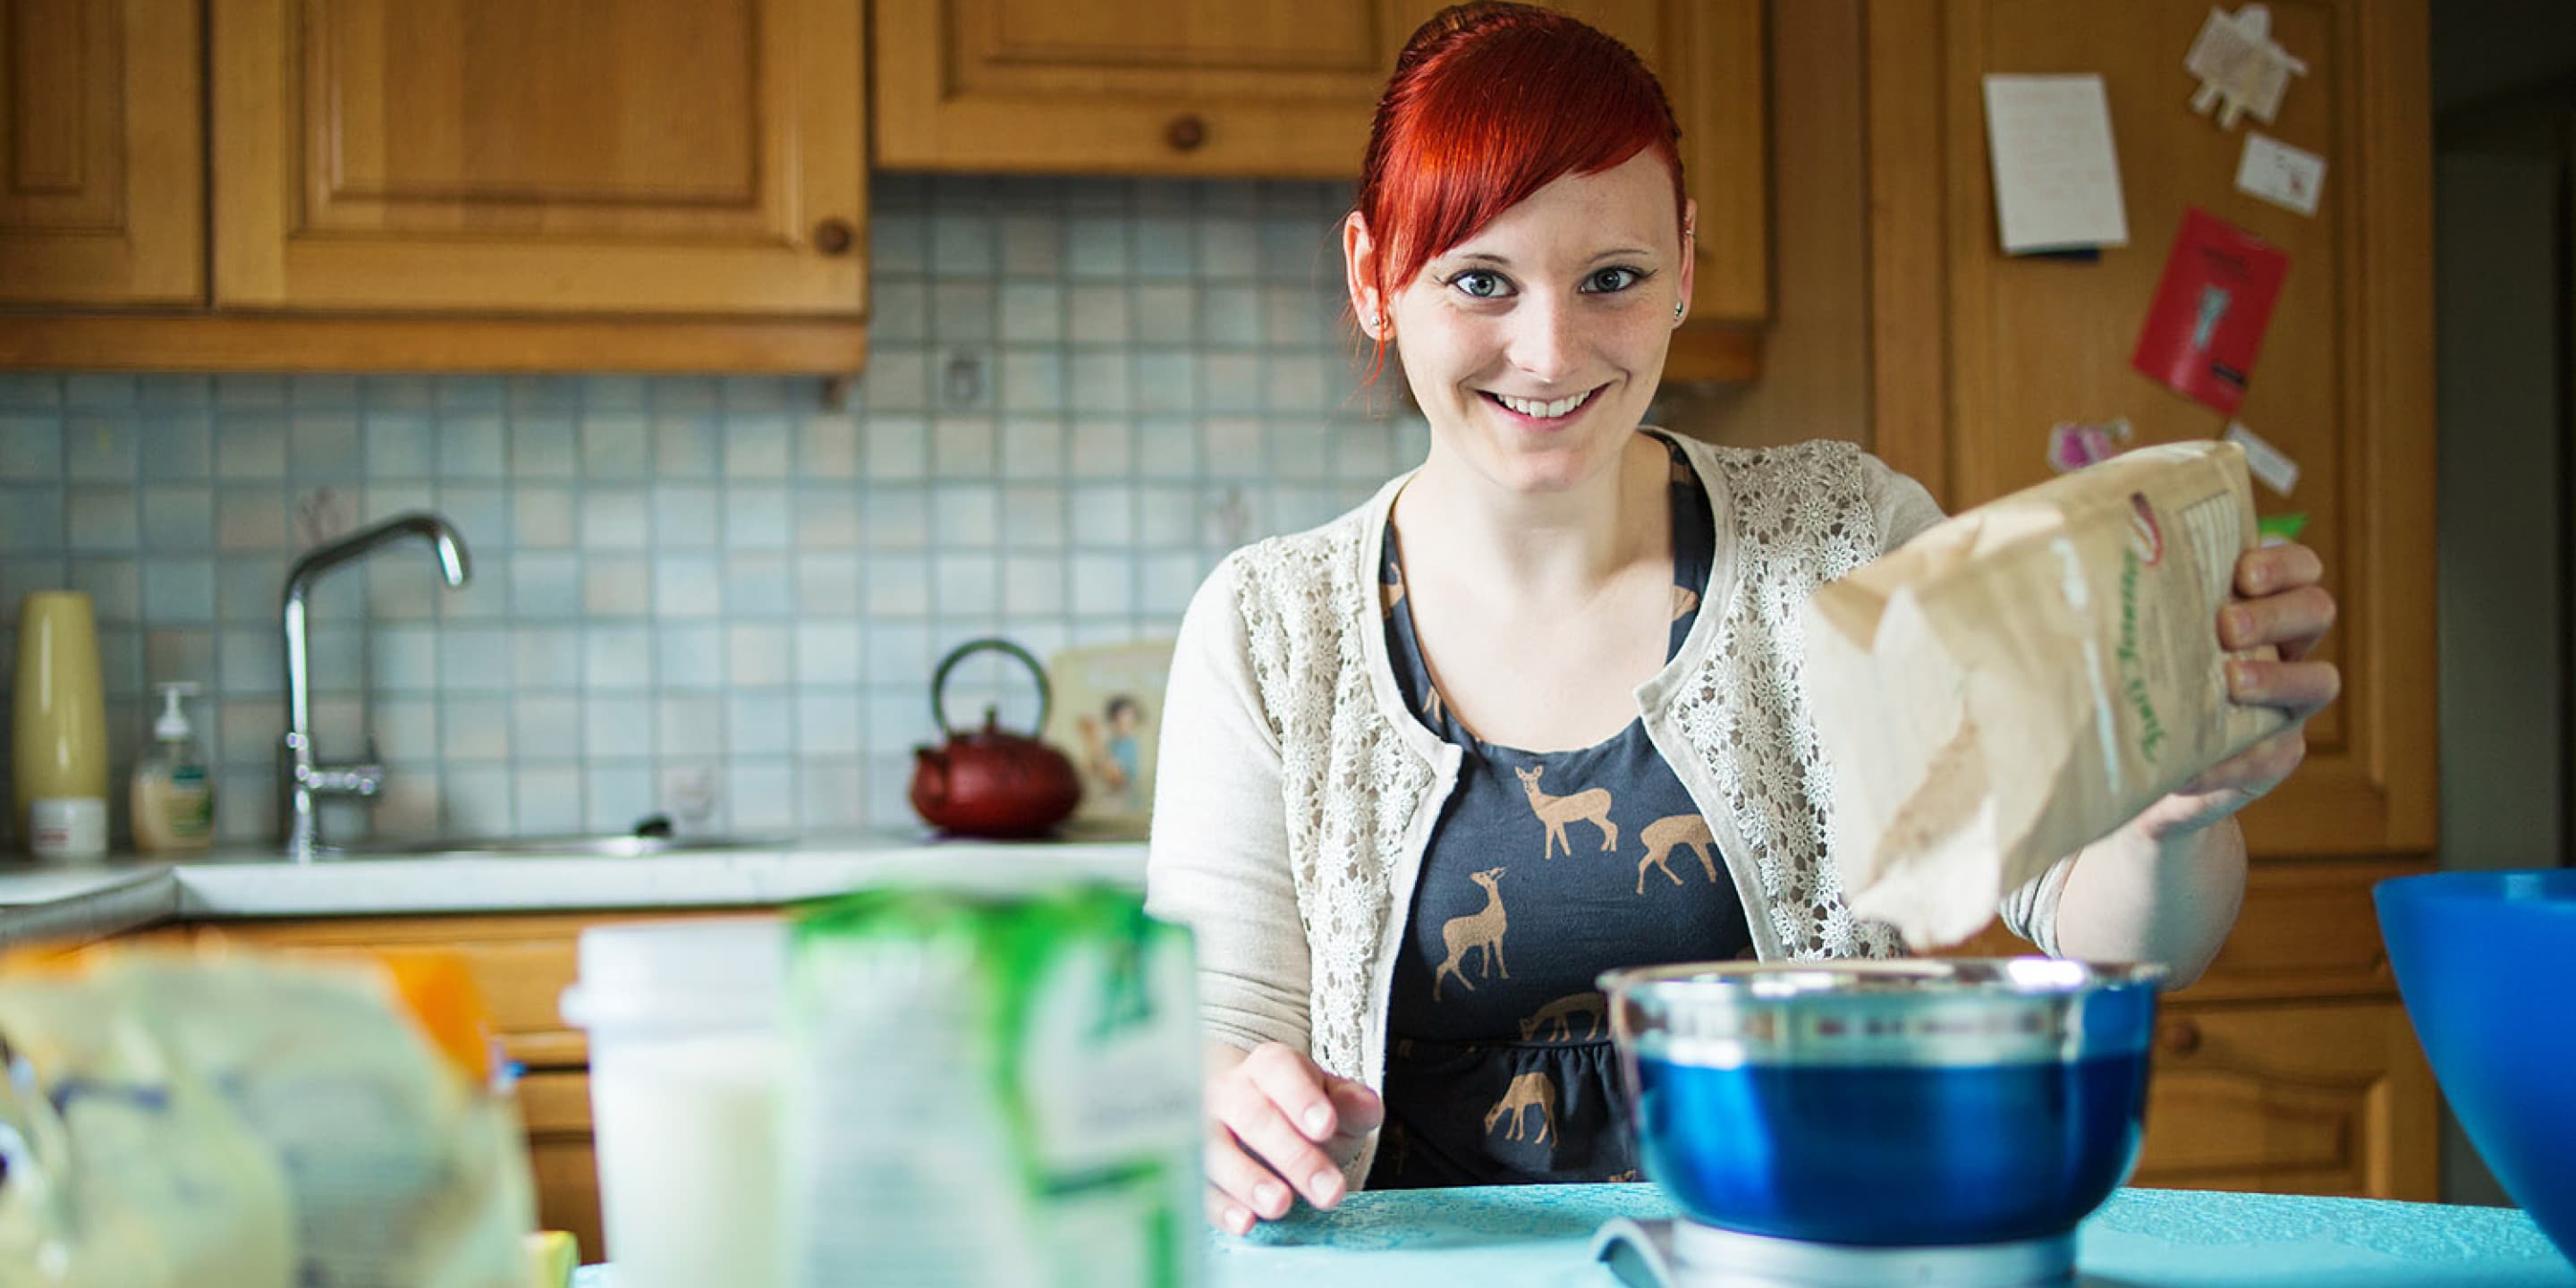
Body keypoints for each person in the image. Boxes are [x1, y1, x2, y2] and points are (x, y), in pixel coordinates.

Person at [1142, 2, 2339, 1238]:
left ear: (1685, 269)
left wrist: (2170, 802)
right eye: (1480, 280)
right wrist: (1238, 1113)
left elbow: (2110, 932)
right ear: (1373, 277)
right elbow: (1219, 1034)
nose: (1548, 352)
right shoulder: (1273, 629)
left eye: (1612, 278)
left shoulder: (1846, 544)